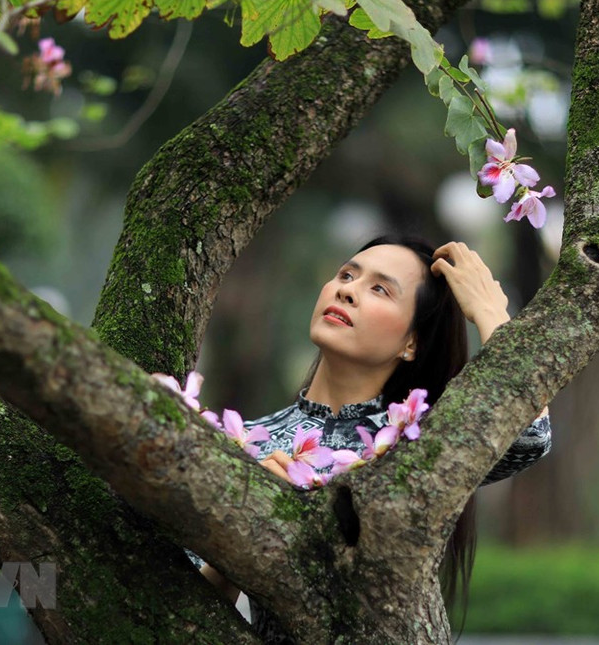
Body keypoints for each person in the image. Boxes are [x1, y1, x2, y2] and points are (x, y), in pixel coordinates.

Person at [200, 234, 552, 633]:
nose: (347, 290)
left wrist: (489, 310)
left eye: (380, 289)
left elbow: (530, 436)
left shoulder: (418, 440)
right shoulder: (245, 443)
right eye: (347, 274)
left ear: (411, 342)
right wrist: (238, 534)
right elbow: (190, 611)